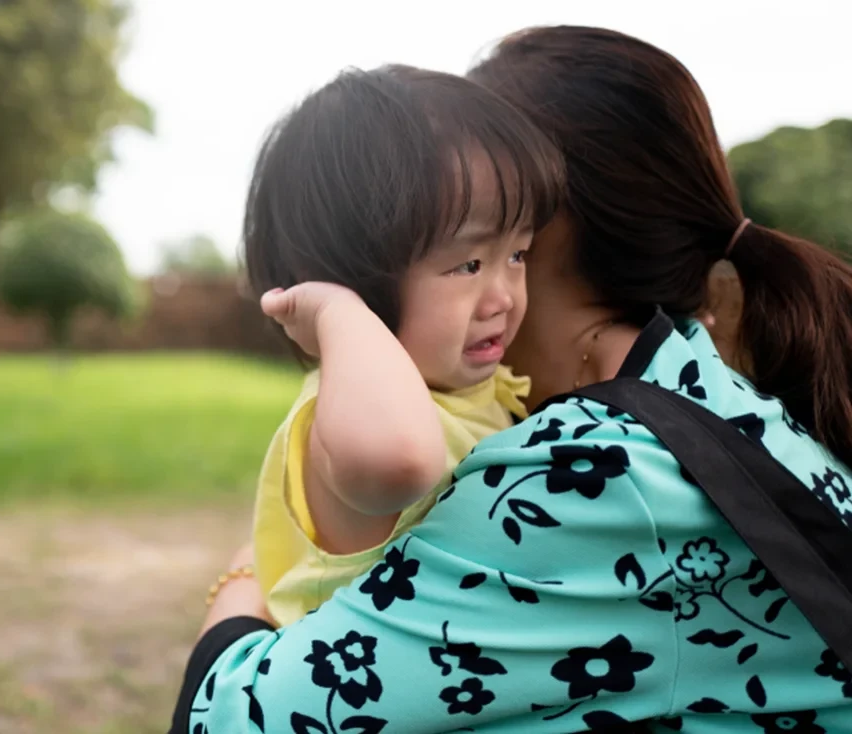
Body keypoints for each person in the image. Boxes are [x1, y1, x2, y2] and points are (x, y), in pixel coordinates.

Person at [172, 26, 852, 733]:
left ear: (540, 224)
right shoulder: (695, 392)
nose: (497, 284)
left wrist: (244, 578)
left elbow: (231, 721)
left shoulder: (594, 472)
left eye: (510, 249)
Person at [241, 65, 560, 627]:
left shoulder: (485, 390)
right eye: (468, 264)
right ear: (343, 278)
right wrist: (339, 312)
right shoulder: (341, 424)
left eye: (518, 255)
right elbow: (402, 463)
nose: (504, 297)